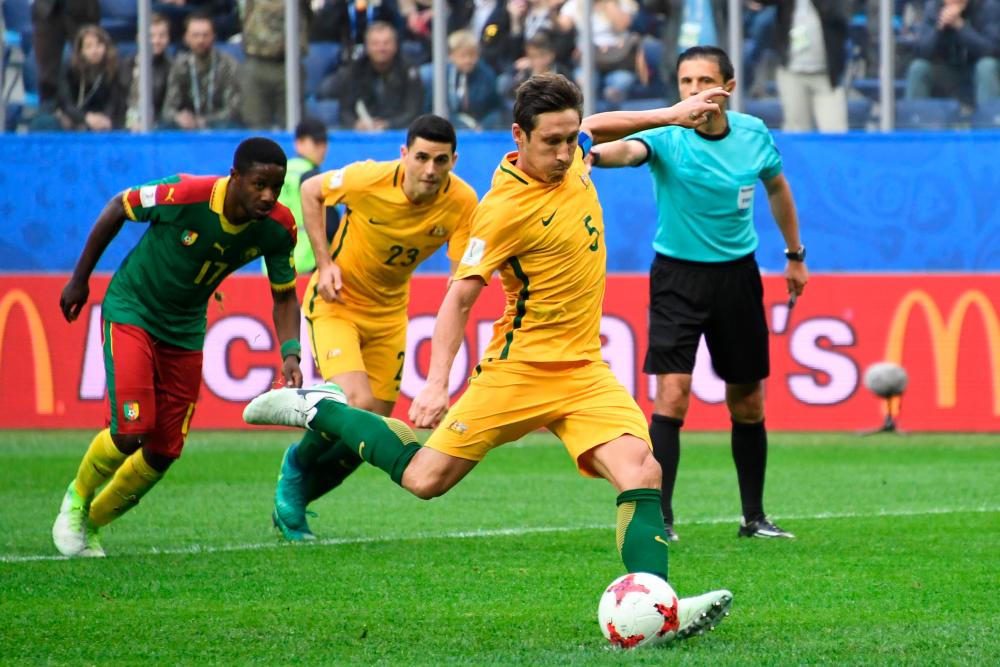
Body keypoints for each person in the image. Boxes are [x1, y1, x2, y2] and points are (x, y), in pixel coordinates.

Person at [244, 73, 734, 636]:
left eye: (569, 139)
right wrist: (435, 384)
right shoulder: (501, 209)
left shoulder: (573, 155)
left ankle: (662, 609)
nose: (564, 151)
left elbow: (598, 127)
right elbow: (458, 297)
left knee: (641, 468)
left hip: (583, 370)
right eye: (550, 142)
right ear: (518, 136)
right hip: (519, 369)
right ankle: (318, 410)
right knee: (426, 479)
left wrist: (671, 113)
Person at [588, 45, 808, 540]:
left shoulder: (753, 134)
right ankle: (660, 519)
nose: (692, 92)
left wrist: (795, 255)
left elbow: (777, 188)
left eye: (703, 81)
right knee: (673, 394)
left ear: (726, 88)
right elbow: (627, 150)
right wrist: (592, 154)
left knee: (748, 401)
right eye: (685, 82)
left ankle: (754, 518)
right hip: (677, 278)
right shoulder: (667, 135)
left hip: (737, 277)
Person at [52, 137, 304, 558]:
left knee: (165, 449)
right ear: (235, 176)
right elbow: (119, 206)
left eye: (275, 188)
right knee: (131, 429)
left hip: (185, 329)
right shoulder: (185, 194)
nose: (267, 196)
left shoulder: (279, 228)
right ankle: (76, 500)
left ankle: (91, 524)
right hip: (133, 309)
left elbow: (284, 296)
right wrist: (80, 278)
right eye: (259, 184)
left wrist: (291, 352)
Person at [268, 114, 477, 541]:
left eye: (441, 160)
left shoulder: (462, 202)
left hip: (389, 316)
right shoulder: (368, 178)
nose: (430, 170)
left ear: (454, 160)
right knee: (356, 402)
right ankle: (295, 467)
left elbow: (461, 278)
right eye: (421, 157)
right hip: (337, 305)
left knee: (370, 433)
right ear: (404, 155)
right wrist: (324, 264)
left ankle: (298, 498)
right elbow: (311, 191)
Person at [762, 0, 849, 132]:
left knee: (835, 132)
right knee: (796, 130)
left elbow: (839, 16)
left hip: (827, 76)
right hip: (792, 74)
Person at [320, 21, 424, 130]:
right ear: (367, 47)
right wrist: (356, 124)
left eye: (386, 43)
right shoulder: (355, 70)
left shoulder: (409, 71)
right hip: (363, 133)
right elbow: (345, 110)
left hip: (398, 131)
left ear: (395, 45)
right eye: (375, 43)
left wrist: (388, 124)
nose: (381, 48)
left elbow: (413, 111)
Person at [904, 0, 1000, 108]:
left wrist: (961, 27)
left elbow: (992, 50)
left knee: (987, 66)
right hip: (948, 70)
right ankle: (916, 120)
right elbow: (921, 51)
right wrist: (939, 29)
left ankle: (990, 119)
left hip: (977, 70)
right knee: (919, 68)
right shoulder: (934, 7)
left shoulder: (988, 6)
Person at [32, 24, 124, 132]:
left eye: (99, 45)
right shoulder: (68, 69)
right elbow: (66, 103)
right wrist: (85, 118)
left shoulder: (114, 69)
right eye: (88, 47)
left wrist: (104, 119)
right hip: (70, 115)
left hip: (101, 118)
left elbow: (115, 101)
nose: (94, 51)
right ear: (81, 51)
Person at [161, 12, 243, 129]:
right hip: (187, 133)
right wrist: (178, 117)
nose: (200, 40)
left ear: (213, 37)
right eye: (195, 35)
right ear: (186, 38)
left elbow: (234, 110)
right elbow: (168, 110)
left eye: (205, 35)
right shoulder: (180, 66)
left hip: (220, 130)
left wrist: (205, 121)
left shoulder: (228, 64)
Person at [275, 117, 336, 275]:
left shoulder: (277, 174)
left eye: (324, 142)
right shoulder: (312, 177)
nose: (322, 148)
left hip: (275, 265)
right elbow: (331, 225)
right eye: (316, 142)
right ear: (299, 142)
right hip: (308, 264)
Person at [240, 0, 312, 130]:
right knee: (256, 125)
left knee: (292, 125)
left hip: (289, 64)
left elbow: (309, 16)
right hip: (258, 61)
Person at [30, 0, 101, 110]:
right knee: (47, 73)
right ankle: (50, 113)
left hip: (83, 9)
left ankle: (88, 113)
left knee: (90, 64)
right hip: (46, 9)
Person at [121, 13, 174, 131]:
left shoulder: (173, 67)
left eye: (162, 35)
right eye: (151, 36)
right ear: (138, 37)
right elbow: (119, 101)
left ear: (168, 38)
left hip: (159, 129)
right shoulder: (125, 65)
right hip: (124, 127)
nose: (156, 41)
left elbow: (169, 108)